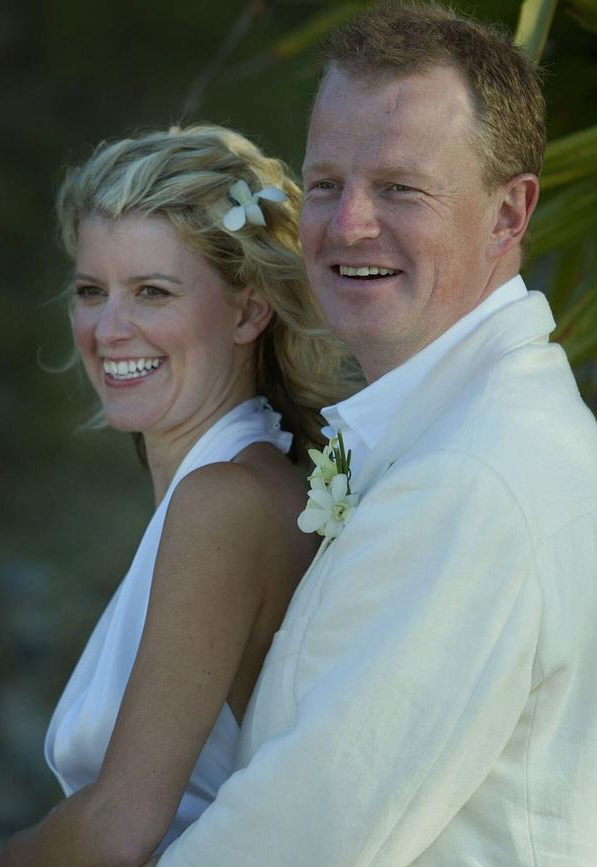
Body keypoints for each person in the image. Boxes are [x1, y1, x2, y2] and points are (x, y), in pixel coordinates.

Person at [150, 3, 597, 866]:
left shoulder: (472, 479)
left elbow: (291, 846)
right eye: (326, 184)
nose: (348, 224)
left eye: (400, 188)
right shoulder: (476, 432)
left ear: (510, 214)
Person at [0, 123, 359, 867]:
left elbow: (119, 830)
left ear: (248, 311)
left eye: (151, 292)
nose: (108, 328)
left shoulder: (225, 500)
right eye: (91, 291)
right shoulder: (229, 486)